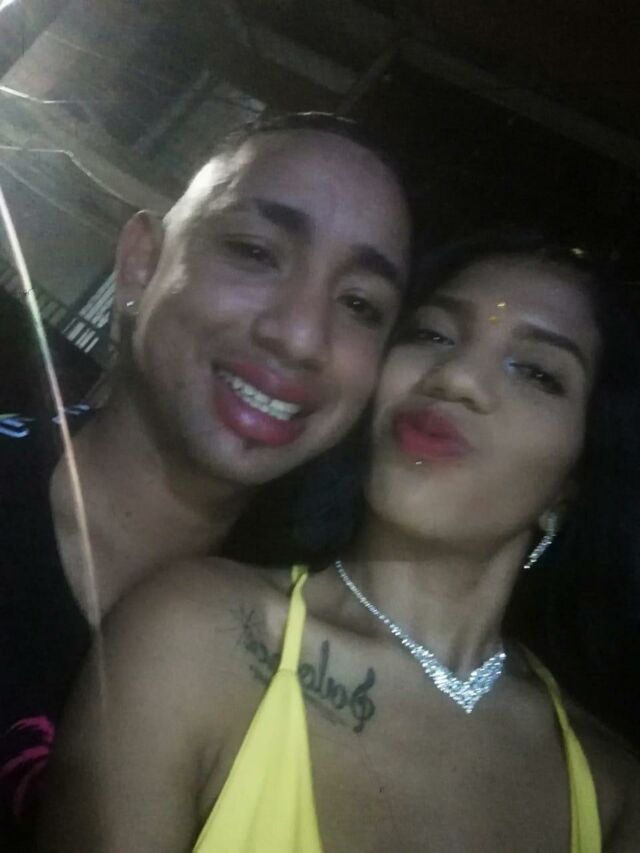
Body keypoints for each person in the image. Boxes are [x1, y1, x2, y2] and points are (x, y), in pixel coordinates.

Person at [38, 231, 640, 852]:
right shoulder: (196, 637)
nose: (456, 377)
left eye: (537, 372)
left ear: (572, 482)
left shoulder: (613, 791)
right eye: (432, 334)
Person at [0, 112, 411, 842]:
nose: (300, 336)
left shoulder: (316, 671)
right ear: (140, 265)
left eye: (359, 305)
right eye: (256, 252)